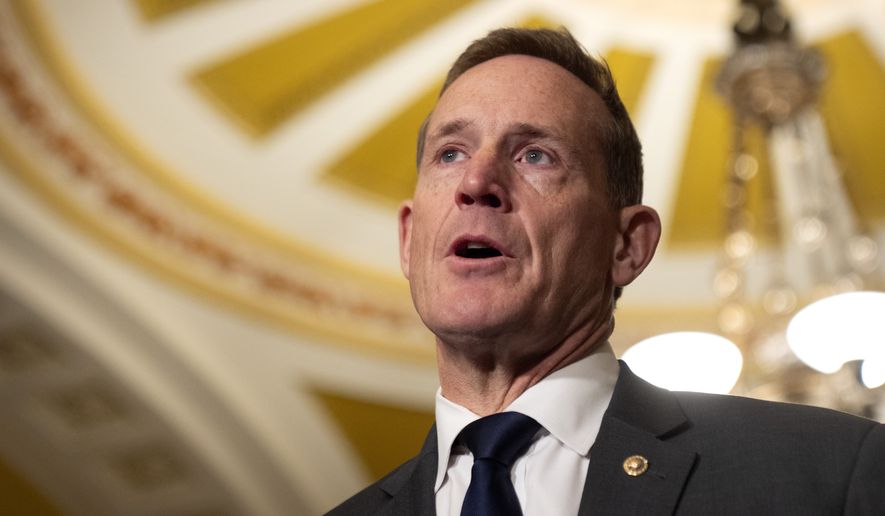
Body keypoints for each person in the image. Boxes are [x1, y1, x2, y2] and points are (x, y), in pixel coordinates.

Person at [327, 27, 885, 516]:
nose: (476, 183)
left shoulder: (828, 473)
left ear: (627, 246)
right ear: (407, 239)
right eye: (450, 153)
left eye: (535, 155)